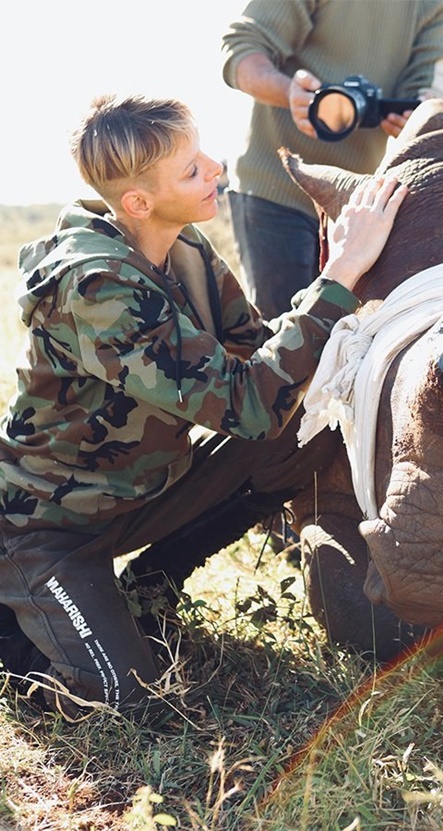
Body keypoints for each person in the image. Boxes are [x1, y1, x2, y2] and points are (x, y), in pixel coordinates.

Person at [0, 93, 407, 719]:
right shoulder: (97, 287)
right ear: (139, 202)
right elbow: (248, 404)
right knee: (125, 701)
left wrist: (365, 309)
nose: (216, 168)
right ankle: (22, 626)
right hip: (45, 530)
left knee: (308, 428)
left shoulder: (186, 248)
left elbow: (262, 362)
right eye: (192, 169)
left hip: (141, 494)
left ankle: (148, 587)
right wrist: (344, 272)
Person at [221, 0, 443, 319]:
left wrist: (419, 108)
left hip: (353, 206)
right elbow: (241, 50)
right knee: (282, 338)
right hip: (274, 189)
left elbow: (430, 83)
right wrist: (290, 93)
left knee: (341, 338)